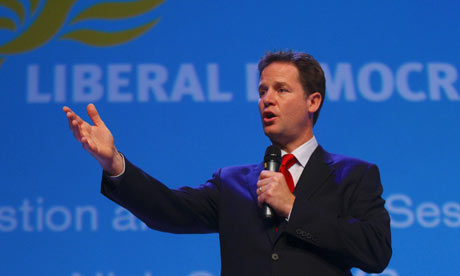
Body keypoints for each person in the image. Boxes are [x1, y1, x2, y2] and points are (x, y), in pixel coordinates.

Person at [63, 50, 392, 275]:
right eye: (263, 90)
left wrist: (293, 207)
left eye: (281, 89)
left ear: (313, 101)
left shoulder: (354, 175)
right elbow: (167, 210)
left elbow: (375, 251)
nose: (268, 99)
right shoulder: (233, 182)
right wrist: (115, 163)